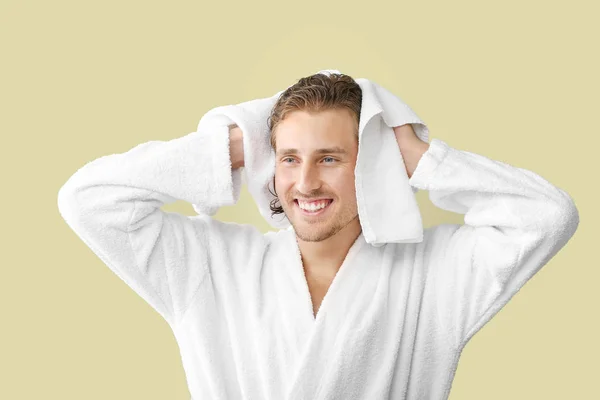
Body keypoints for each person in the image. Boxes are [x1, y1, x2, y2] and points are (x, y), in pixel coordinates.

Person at [57, 73, 579, 400]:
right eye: (289, 158)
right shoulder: (213, 264)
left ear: (370, 164)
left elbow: (546, 216)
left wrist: (419, 159)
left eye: (329, 158)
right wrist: (237, 144)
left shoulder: (433, 274)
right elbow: (88, 200)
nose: (305, 182)